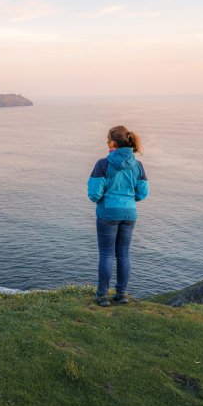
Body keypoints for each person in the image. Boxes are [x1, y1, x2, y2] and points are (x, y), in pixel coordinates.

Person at [87, 126, 149, 306]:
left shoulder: (103, 164)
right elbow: (143, 193)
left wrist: (105, 198)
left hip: (107, 213)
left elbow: (94, 194)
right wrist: (129, 199)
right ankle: (121, 294)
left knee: (106, 254)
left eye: (107, 140)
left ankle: (102, 296)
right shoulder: (138, 165)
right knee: (123, 254)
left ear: (113, 143)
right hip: (129, 213)